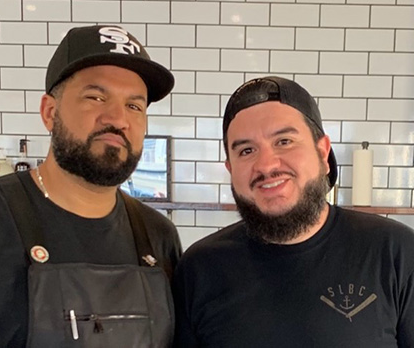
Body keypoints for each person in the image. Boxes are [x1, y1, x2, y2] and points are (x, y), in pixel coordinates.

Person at [0, 25, 182, 347]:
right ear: (50, 112)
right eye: (96, 97)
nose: (118, 118)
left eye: (134, 106)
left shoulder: (159, 236)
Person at [173, 76, 414, 347]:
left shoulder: (396, 252)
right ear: (230, 169)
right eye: (246, 150)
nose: (266, 165)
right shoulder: (199, 268)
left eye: (284, 141)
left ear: (322, 152)